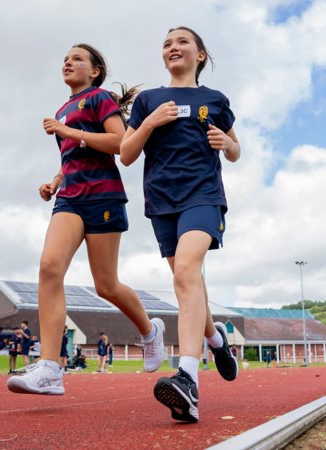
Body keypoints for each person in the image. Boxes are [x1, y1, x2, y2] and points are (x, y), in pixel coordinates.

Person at [7, 43, 167, 396]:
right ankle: (50, 368)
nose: (68, 62)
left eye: (77, 59)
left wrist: (70, 132)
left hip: (103, 196)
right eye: (65, 58)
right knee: (49, 267)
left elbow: (120, 143)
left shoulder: (99, 99)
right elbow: (72, 159)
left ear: (94, 71)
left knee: (105, 285)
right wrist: (55, 181)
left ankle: (149, 331)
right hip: (69, 198)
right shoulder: (63, 108)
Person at [120, 26, 240, 423]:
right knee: (187, 281)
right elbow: (126, 154)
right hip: (162, 203)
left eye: (182, 41)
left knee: (188, 271)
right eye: (167, 44)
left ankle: (187, 377)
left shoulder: (215, 99)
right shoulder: (149, 100)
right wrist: (149, 122)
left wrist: (227, 142)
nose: (173, 47)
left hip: (204, 196)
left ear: (200, 55)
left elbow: (236, 150)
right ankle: (216, 339)